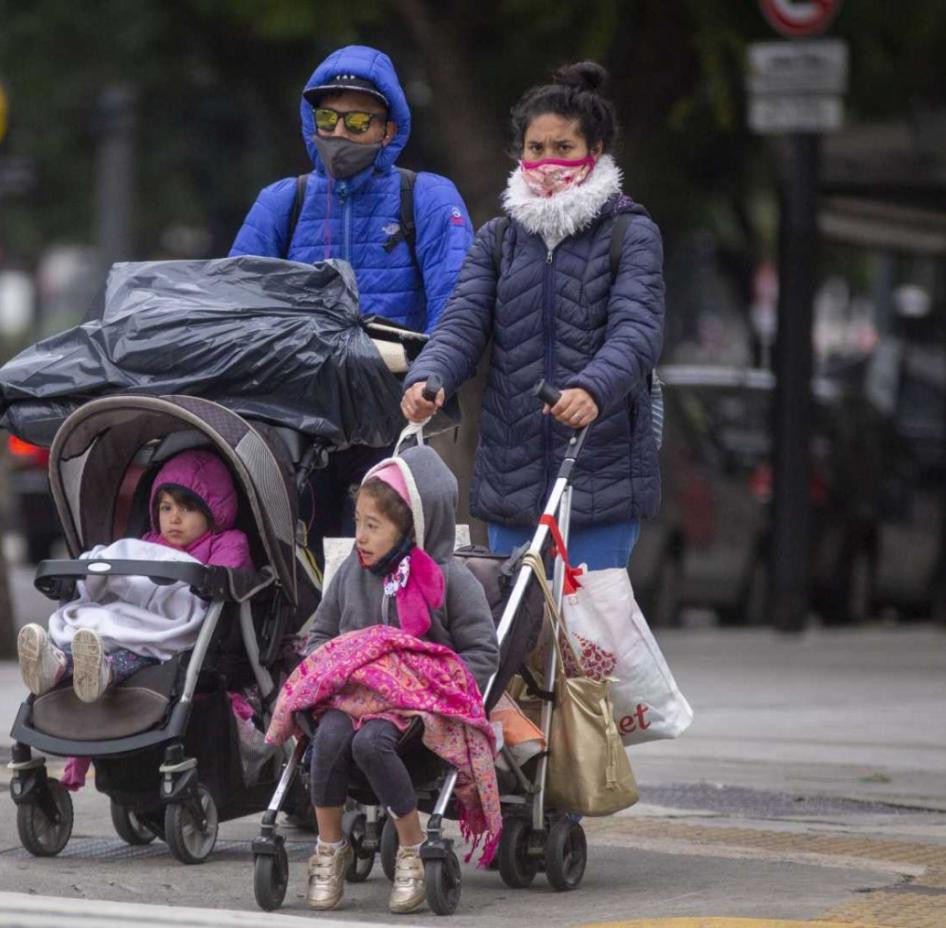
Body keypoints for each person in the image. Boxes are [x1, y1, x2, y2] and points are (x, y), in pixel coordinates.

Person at [401, 61, 665, 571]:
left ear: (596, 152)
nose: (547, 162)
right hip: (511, 476)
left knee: (590, 642)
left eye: (563, 148)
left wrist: (592, 388)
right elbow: (461, 322)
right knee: (516, 636)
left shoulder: (629, 232)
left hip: (600, 473)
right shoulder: (498, 239)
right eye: (535, 148)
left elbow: (638, 328)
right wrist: (429, 378)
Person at [230, 45, 475, 552]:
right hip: (298, 423)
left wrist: (434, 377)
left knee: (390, 565)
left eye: (359, 120)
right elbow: (234, 307)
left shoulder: (426, 197)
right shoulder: (282, 202)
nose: (340, 133)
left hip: (397, 416)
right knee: (298, 562)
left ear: (389, 129)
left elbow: (459, 305)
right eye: (327, 117)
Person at [272, 445, 498, 914]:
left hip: (411, 712)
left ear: (411, 527)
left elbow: (482, 653)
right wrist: (338, 666)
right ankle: (330, 849)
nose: (360, 537)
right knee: (329, 738)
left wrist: (428, 687)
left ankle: (412, 848)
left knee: (370, 743)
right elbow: (322, 635)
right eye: (357, 522)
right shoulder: (351, 575)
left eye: (372, 526)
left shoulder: (451, 581)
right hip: (350, 698)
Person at [16, 449, 252, 703]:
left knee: (139, 648)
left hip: (173, 628)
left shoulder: (228, 543)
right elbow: (129, 577)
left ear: (213, 511)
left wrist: (205, 580)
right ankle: (58, 663)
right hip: (137, 615)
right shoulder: (150, 543)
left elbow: (226, 578)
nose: (174, 518)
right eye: (166, 507)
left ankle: (106, 672)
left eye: (186, 509)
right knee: (103, 624)